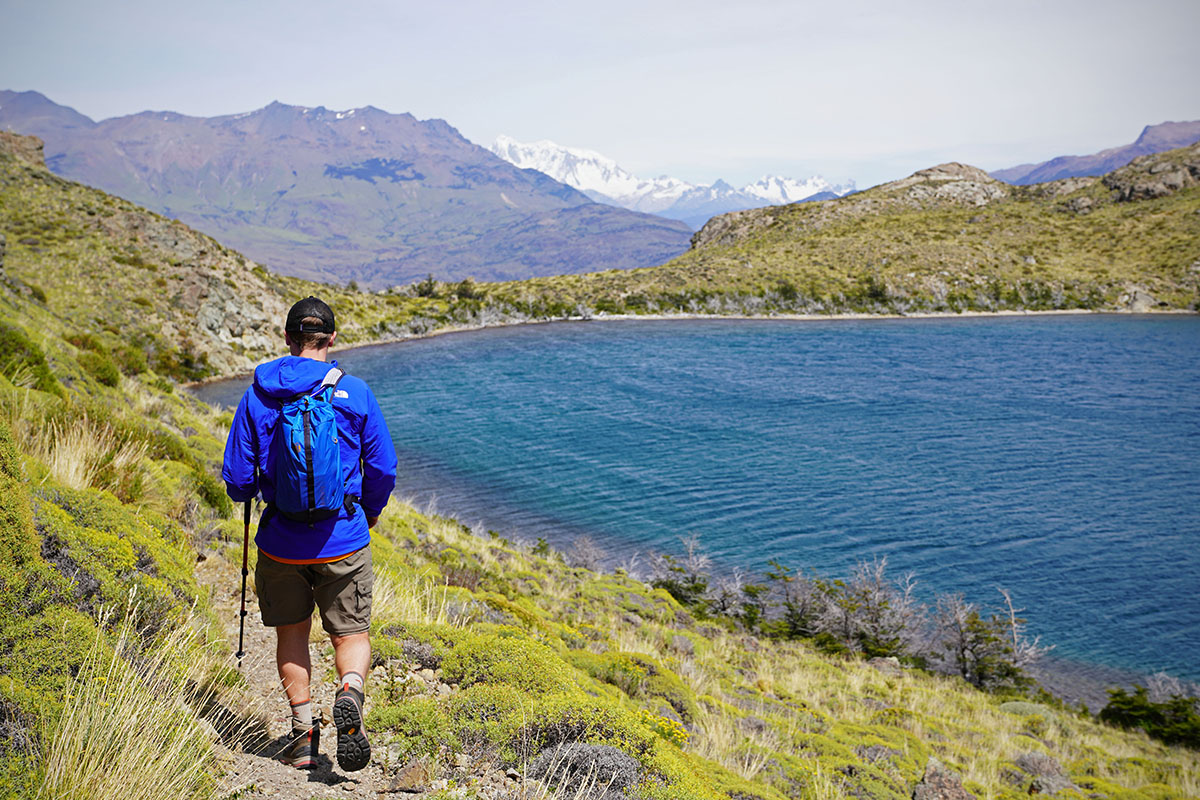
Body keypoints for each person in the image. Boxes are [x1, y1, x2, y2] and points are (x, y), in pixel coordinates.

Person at [222, 296, 397, 772]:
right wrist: (369, 512)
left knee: (292, 634)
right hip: (344, 538)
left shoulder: (258, 395)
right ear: (332, 339)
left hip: (282, 543)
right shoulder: (354, 391)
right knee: (351, 633)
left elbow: (237, 479)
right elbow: (383, 467)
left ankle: (303, 739)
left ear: (287, 337)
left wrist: (257, 490)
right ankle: (350, 692)